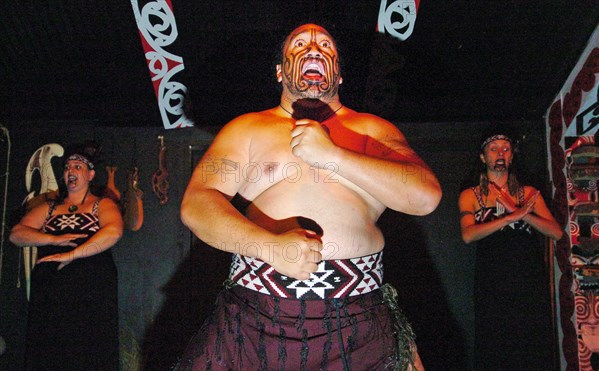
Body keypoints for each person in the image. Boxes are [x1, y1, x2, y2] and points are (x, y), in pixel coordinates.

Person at [177, 23, 441, 370]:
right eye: (299, 44)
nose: (313, 49)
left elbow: (424, 196)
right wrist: (270, 248)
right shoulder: (248, 129)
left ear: (340, 75)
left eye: (326, 46)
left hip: (359, 322)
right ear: (280, 71)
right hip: (257, 316)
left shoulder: (372, 130)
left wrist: (334, 157)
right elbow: (197, 204)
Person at [10, 143, 123, 370]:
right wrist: (53, 240)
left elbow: (113, 232)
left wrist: (72, 254)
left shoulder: (103, 204)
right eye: (68, 167)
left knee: (89, 349)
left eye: (78, 166)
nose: (71, 171)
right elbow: (17, 234)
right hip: (52, 288)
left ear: (90, 174)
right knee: (49, 348)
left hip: (90, 288)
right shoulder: (49, 208)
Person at [458, 133, 563, 369]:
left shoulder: (528, 193)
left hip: (526, 276)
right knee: (495, 341)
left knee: (530, 339)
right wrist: (510, 217)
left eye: (506, 149)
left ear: (512, 156)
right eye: (494, 149)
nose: (500, 154)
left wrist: (520, 212)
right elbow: (468, 235)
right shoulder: (471, 195)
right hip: (492, 279)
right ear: (483, 157)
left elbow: (556, 232)